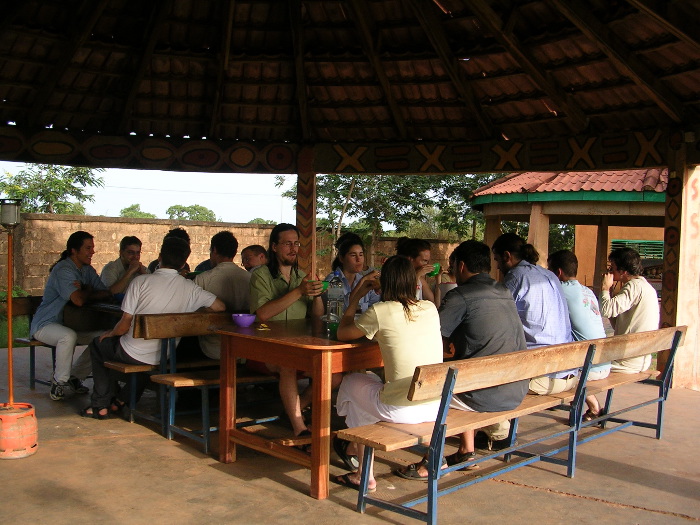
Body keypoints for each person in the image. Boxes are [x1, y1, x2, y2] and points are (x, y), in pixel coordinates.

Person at [396, 241, 528, 479]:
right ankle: (466, 451)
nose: (451, 270)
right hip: (516, 388)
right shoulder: (503, 291)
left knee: (423, 389)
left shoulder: (461, 295)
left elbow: (433, 341)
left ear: (462, 265)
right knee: (463, 371)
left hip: (486, 393)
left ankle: (432, 459)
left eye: (453, 265)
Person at [81, 237, 225, 418]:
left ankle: (100, 405)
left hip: (132, 352)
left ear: (159, 257)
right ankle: (122, 400)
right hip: (163, 355)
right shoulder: (191, 288)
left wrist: (109, 333)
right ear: (183, 263)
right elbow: (220, 307)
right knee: (147, 360)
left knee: (97, 345)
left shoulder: (140, 282)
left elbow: (124, 325)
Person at [333, 255, 443, 492]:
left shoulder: (381, 310)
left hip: (401, 408)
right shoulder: (430, 308)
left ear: (386, 283)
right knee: (369, 382)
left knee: (352, 382)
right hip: (435, 405)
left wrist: (357, 296)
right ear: (413, 283)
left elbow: (342, 333)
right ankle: (360, 464)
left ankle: (360, 465)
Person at [489, 233, 574, 448]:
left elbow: (500, 325)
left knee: (484, 375)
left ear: (507, 256)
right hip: (569, 371)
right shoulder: (549, 275)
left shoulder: (515, 278)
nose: (498, 267)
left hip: (542, 376)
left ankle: (499, 434)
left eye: (498, 261)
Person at [249, 223, 325, 437]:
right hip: (263, 348)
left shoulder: (302, 276)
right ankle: (300, 428)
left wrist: (317, 295)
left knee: (334, 373)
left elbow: (317, 320)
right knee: (287, 365)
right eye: (287, 244)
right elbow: (262, 314)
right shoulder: (260, 276)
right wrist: (300, 291)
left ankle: (294, 410)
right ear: (274, 247)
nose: (293, 249)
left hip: (297, 347)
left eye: (296, 244)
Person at [30, 231, 112, 401]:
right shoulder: (64, 269)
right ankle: (59, 382)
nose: (92, 252)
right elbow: (78, 300)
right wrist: (87, 290)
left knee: (102, 337)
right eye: (88, 248)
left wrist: (85, 289)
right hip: (46, 324)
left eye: (93, 248)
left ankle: (75, 377)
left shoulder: (87, 270)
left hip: (71, 325)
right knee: (67, 337)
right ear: (74, 250)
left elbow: (105, 293)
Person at [548, 249, 608, 420]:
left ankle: (595, 407)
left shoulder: (560, 290)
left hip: (589, 367)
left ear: (558, 272)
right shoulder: (587, 291)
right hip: (604, 360)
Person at [600, 247, 660, 373]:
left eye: (612, 269)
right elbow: (618, 323)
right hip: (640, 357)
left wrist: (605, 288)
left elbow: (606, 310)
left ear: (623, 271)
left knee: (583, 366)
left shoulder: (633, 287)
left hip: (627, 361)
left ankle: (589, 394)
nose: (610, 272)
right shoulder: (645, 286)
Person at [192, 231, 251, 359]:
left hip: (211, 348)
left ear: (214, 250)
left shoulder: (202, 279)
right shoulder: (250, 278)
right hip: (244, 347)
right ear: (235, 252)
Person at [325, 233, 380, 314]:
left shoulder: (363, 280)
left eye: (361, 255)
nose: (358, 259)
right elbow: (340, 312)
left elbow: (376, 308)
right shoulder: (332, 280)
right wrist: (363, 281)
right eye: (353, 255)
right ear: (341, 258)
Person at [396, 237, 436, 304]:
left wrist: (438, 279)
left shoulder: (420, 279)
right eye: (424, 261)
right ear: (411, 259)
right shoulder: (396, 277)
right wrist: (417, 275)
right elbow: (407, 300)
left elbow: (431, 301)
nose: (427, 264)